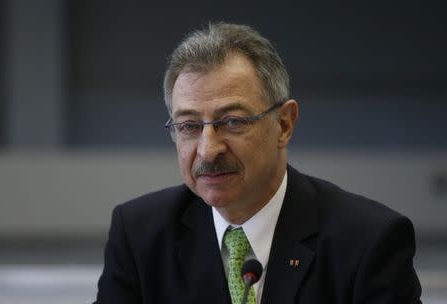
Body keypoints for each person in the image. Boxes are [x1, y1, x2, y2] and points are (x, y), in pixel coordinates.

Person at [94, 22, 422, 303]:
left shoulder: (368, 241)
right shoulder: (140, 235)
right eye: (190, 126)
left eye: (233, 121)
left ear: (284, 124)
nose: (208, 151)